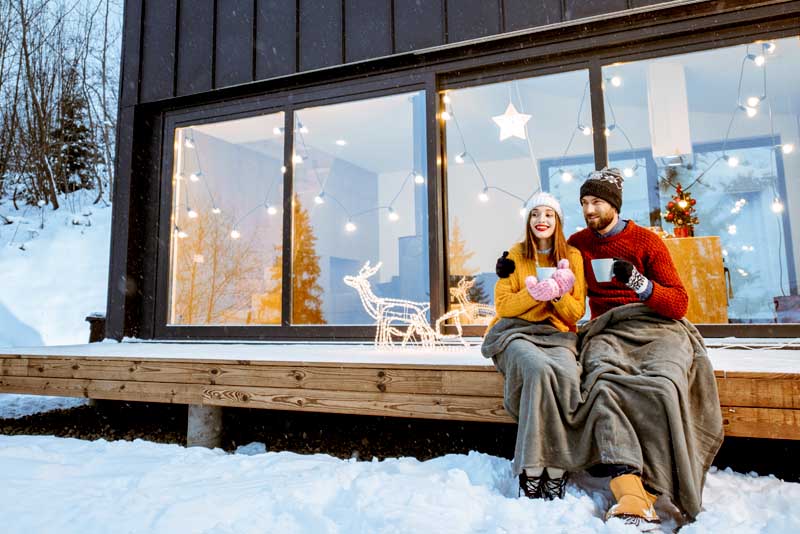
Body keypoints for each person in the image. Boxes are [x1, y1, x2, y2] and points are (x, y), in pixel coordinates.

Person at [481, 192, 587, 501]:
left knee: (567, 376)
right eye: (535, 214)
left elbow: (575, 312)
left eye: (549, 214)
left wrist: (556, 294)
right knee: (538, 370)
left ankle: (555, 467)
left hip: (556, 335)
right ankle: (532, 467)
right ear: (528, 220)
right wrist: (536, 294)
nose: (542, 220)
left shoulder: (573, 258)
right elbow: (504, 305)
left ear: (558, 221)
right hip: (514, 333)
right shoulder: (514, 255)